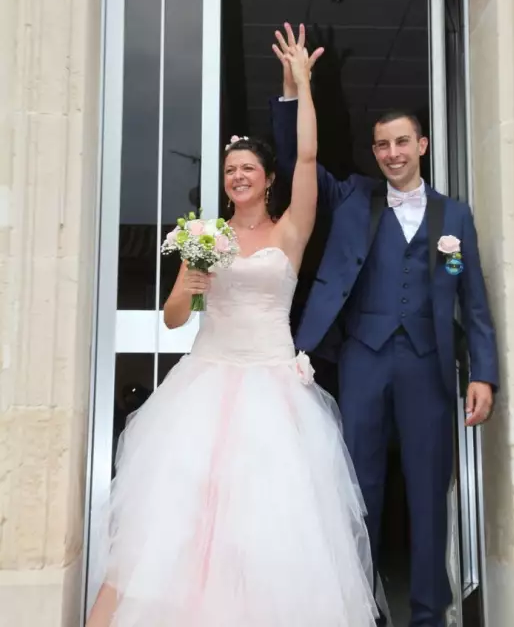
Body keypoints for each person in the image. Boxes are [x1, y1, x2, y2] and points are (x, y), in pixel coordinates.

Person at [86, 36, 379, 627]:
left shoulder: (291, 230)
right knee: (179, 521)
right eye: (229, 171)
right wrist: (187, 282)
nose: (238, 176)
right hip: (204, 385)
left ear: (268, 179)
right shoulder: (204, 237)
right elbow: (172, 319)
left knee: (267, 526)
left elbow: (306, 156)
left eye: (248, 169)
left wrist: (299, 85)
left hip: (272, 389)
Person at [271, 23, 499, 627]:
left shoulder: (455, 217)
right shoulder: (351, 199)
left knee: (428, 497)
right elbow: (300, 159)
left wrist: (484, 375)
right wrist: (296, 92)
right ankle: (360, 609)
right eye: (381, 146)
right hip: (364, 362)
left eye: (401, 143)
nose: (391, 154)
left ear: (421, 145)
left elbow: (473, 300)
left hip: (427, 365)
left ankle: (428, 614)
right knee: (358, 494)